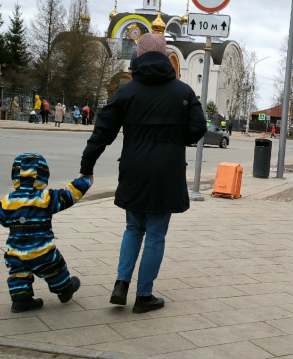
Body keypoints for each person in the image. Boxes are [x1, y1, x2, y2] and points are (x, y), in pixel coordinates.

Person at [79, 33, 206, 314]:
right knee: (156, 233)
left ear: (138, 56)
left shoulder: (127, 92)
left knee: (133, 228)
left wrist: (87, 167)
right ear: (165, 56)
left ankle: (121, 284)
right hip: (167, 171)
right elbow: (198, 127)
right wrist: (177, 139)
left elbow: (102, 132)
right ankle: (144, 295)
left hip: (134, 168)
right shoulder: (183, 92)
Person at [0, 153, 92, 313]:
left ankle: (21, 301)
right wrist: (85, 181)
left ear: (15, 176)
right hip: (42, 250)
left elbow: (0, 216)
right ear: (43, 175)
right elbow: (68, 196)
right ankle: (64, 290)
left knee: (18, 273)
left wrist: (15, 220)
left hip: (17, 251)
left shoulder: (8, 200)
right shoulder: (45, 198)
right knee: (55, 268)